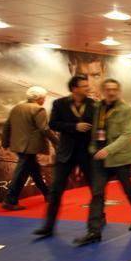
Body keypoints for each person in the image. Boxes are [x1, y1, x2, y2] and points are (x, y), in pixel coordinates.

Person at [74, 79, 131, 246]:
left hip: (119, 157)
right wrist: (93, 147)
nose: (111, 92)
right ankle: (94, 231)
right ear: (103, 91)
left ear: (118, 91)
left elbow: (126, 135)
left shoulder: (125, 109)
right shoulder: (98, 108)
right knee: (97, 193)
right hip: (99, 158)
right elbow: (96, 130)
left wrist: (108, 150)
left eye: (114, 89)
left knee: (128, 189)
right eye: (108, 89)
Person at [33, 76, 96, 236]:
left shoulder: (93, 105)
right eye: (84, 86)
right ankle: (48, 226)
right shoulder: (59, 104)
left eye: (87, 86)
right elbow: (53, 124)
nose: (87, 88)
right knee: (56, 190)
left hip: (87, 153)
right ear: (74, 88)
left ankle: (99, 218)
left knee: (96, 189)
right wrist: (75, 126)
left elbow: (99, 127)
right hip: (65, 153)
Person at [0, 86, 58, 210]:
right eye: (44, 98)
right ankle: (10, 200)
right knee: (21, 173)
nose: (44, 100)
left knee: (35, 171)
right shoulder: (38, 109)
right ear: (39, 98)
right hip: (30, 146)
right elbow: (44, 129)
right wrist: (56, 141)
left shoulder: (16, 108)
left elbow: (7, 126)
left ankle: (48, 194)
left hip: (18, 146)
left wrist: (4, 143)